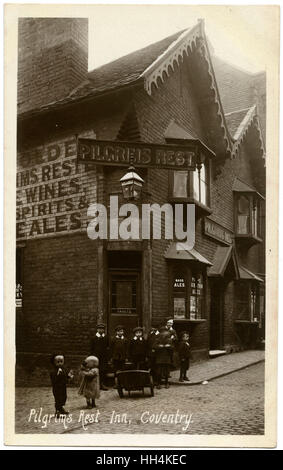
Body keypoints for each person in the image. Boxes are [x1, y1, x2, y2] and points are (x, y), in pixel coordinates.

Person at [50, 353, 73, 417]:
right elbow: (53, 378)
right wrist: (57, 374)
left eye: (61, 362)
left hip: (63, 386)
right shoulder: (53, 371)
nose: (60, 363)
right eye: (58, 362)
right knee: (58, 399)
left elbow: (65, 376)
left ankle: (61, 408)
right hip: (57, 387)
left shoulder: (64, 369)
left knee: (64, 397)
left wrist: (69, 376)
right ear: (54, 362)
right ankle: (57, 410)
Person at [90, 323, 109, 390]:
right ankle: (95, 384)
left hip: (103, 357)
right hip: (96, 357)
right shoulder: (94, 338)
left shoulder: (106, 338)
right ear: (97, 329)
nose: (101, 330)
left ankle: (102, 384)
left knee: (103, 370)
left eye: (102, 329)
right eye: (99, 329)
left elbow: (107, 347)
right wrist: (92, 357)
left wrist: (107, 356)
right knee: (95, 370)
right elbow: (91, 348)